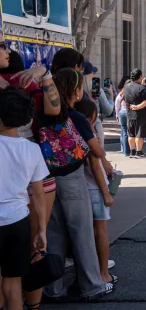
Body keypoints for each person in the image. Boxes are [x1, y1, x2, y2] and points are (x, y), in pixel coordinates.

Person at [44, 68, 113, 301]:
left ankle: (52, 289)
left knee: (53, 234)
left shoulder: (44, 114)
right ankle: (92, 286)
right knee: (82, 231)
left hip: (47, 178)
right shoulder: (77, 117)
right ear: (75, 91)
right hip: (73, 177)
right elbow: (96, 150)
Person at [0, 50, 61, 309]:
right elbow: (55, 109)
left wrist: (44, 74)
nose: (6, 49)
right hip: (22, 204)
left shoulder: (23, 80)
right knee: (29, 256)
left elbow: (54, 109)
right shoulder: (27, 82)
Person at [0, 87, 48, 310]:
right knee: (13, 284)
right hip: (19, 221)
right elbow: (38, 193)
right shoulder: (32, 149)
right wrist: (41, 230)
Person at [74, 100, 117, 286]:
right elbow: (96, 167)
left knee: (84, 233)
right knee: (100, 231)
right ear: (91, 116)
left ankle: (87, 272)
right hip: (95, 189)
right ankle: (103, 273)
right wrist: (106, 193)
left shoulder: (73, 133)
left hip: (81, 188)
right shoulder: (89, 135)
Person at [83, 61, 114, 145]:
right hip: (94, 123)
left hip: (75, 123)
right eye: (93, 72)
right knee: (97, 152)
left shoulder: (73, 87)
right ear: (90, 74)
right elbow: (108, 110)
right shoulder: (96, 89)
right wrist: (111, 97)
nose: (94, 75)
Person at [123, 69, 146, 158]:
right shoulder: (142, 88)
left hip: (129, 113)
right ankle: (139, 152)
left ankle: (132, 151)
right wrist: (137, 107)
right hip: (140, 114)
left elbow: (124, 98)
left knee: (131, 134)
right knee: (139, 134)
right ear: (140, 77)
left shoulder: (126, 87)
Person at [115, 79, 130, 157]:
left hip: (122, 112)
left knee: (124, 132)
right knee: (129, 132)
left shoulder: (121, 94)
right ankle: (129, 150)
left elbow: (117, 106)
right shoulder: (131, 94)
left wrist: (117, 115)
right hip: (129, 112)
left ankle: (124, 150)